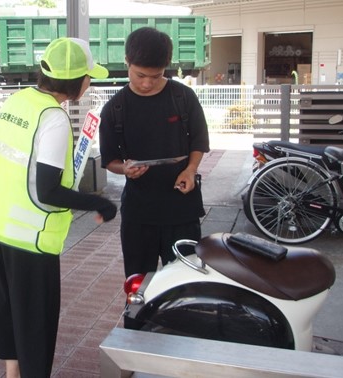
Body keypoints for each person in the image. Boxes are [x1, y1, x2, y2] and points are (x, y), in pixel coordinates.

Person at [0, 37, 117, 378]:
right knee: (35, 324)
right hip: (29, 238)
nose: (89, 82)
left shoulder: (18, 100)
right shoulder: (54, 118)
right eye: (88, 76)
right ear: (76, 81)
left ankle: (11, 375)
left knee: (6, 312)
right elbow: (48, 190)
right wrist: (99, 203)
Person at [99, 27, 210, 327]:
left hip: (182, 210)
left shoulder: (182, 97)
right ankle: (136, 346)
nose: (147, 83)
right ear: (127, 63)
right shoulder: (115, 108)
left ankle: (182, 348)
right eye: (139, 75)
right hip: (139, 215)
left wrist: (190, 169)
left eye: (155, 75)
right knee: (138, 288)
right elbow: (109, 159)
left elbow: (199, 141)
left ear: (167, 68)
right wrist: (125, 169)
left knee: (185, 286)